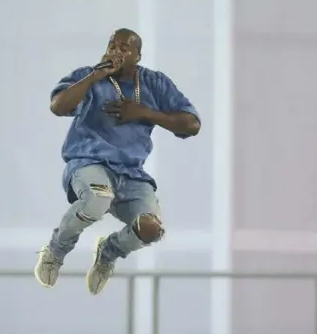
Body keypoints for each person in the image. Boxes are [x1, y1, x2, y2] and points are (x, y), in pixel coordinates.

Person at [35, 28, 200, 295]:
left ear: (138, 55)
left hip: (132, 173)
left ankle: (108, 253)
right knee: (97, 200)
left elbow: (191, 124)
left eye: (124, 48)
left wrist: (146, 113)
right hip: (90, 163)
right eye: (113, 45)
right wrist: (96, 75)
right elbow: (59, 106)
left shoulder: (153, 83)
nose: (116, 52)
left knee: (151, 228)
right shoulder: (87, 76)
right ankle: (56, 251)